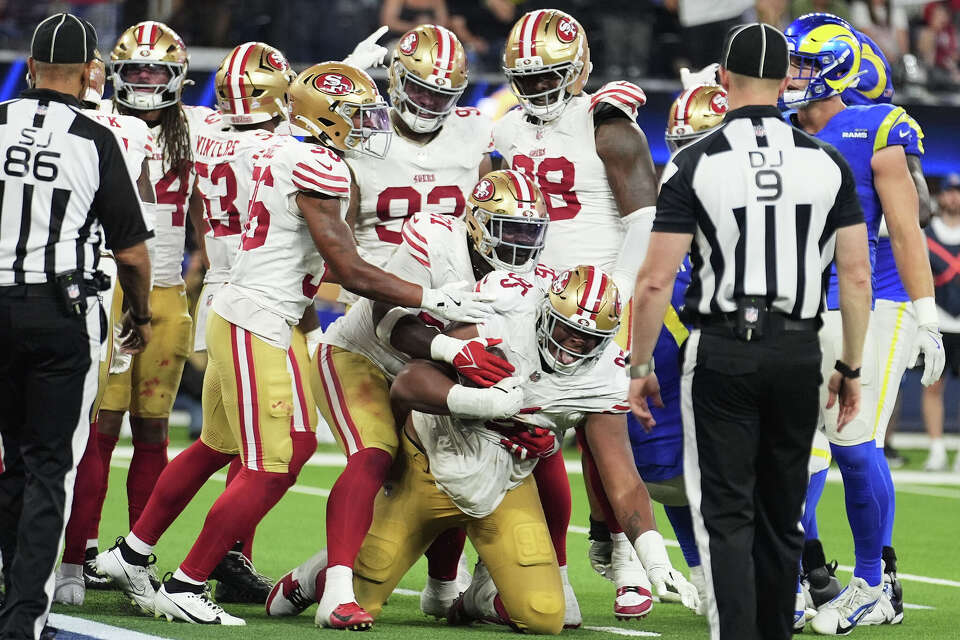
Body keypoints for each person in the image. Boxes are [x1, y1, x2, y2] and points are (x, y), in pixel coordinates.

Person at [96, 61, 496, 626]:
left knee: (222, 445)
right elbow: (349, 269)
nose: (369, 125)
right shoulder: (316, 163)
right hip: (258, 317)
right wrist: (429, 296)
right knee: (271, 464)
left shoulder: (285, 147)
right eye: (357, 115)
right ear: (328, 118)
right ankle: (186, 582)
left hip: (245, 308)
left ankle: (132, 554)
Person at [268, 265, 698, 633]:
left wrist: (654, 559)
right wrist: (486, 403)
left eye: (587, 339)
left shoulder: (605, 374)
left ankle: (477, 597)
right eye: (568, 331)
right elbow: (409, 384)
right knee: (365, 591)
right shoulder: (504, 313)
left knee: (545, 615)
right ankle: (317, 573)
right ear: (545, 312)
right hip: (430, 466)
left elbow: (621, 476)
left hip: (505, 485)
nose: (573, 347)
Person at [628, 23, 872, 640]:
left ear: (723, 78)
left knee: (728, 516)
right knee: (782, 515)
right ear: (786, 80)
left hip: (723, 347)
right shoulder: (827, 160)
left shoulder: (693, 161)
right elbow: (857, 276)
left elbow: (655, 281)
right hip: (798, 348)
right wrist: (850, 366)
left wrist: (640, 366)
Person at [305, 169, 554, 628]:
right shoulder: (436, 239)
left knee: (449, 462)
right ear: (477, 224)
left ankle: (441, 583)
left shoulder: (536, 276)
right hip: (363, 357)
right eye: (510, 229)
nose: (521, 242)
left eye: (529, 231)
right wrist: (451, 350)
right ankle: (330, 585)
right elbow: (387, 321)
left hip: (431, 376)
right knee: (376, 456)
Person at [494, 8, 663, 617]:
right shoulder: (506, 130)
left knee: (603, 431)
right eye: (528, 78)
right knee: (525, 435)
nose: (539, 87)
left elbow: (645, 220)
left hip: (600, 299)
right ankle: (541, 567)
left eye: (550, 76)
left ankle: (625, 562)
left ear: (579, 69)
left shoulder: (607, 124)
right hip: (530, 302)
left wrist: (614, 292)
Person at [782, 14, 944, 632]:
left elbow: (907, 224)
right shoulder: (776, 129)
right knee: (792, 449)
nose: (790, 75)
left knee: (854, 444)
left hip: (869, 300)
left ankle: (875, 582)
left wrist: (927, 316)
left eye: (802, 64)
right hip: (795, 306)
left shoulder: (876, 125)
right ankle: (798, 575)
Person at [0, 13, 153, 639]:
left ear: (29, 67)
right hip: (61, 314)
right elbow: (132, 253)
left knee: (11, 461)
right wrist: (140, 313)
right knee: (47, 468)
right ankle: (23, 619)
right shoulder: (96, 138)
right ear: (92, 72)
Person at [590, 81, 730, 614]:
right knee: (662, 459)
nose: (688, 158)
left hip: (744, 333)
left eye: (699, 144)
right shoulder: (667, 201)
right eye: (681, 145)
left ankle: (801, 572)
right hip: (666, 331)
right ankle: (673, 563)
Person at [83, 21, 220, 565]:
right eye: (135, 70)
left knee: (153, 428)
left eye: (155, 71)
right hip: (110, 286)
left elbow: (206, 203)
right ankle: (80, 553)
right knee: (102, 426)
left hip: (165, 291)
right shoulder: (98, 120)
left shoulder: (198, 126)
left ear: (177, 76)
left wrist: (206, 259)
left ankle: (135, 557)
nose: (144, 80)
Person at [53, 48, 157, 607]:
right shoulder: (125, 132)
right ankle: (72, 564)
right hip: (96, 287)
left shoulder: (18, 121)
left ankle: (41, 558)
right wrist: (140, 311)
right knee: (84, 432)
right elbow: (138, 228)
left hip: (26, 278)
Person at [922, 174, 960, 472]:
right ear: (940, 195)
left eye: (958, 192)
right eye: (949, 191)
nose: (953, 197)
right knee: (932, 386)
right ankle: (937, 450)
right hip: (938, 322)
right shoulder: (926, 234)